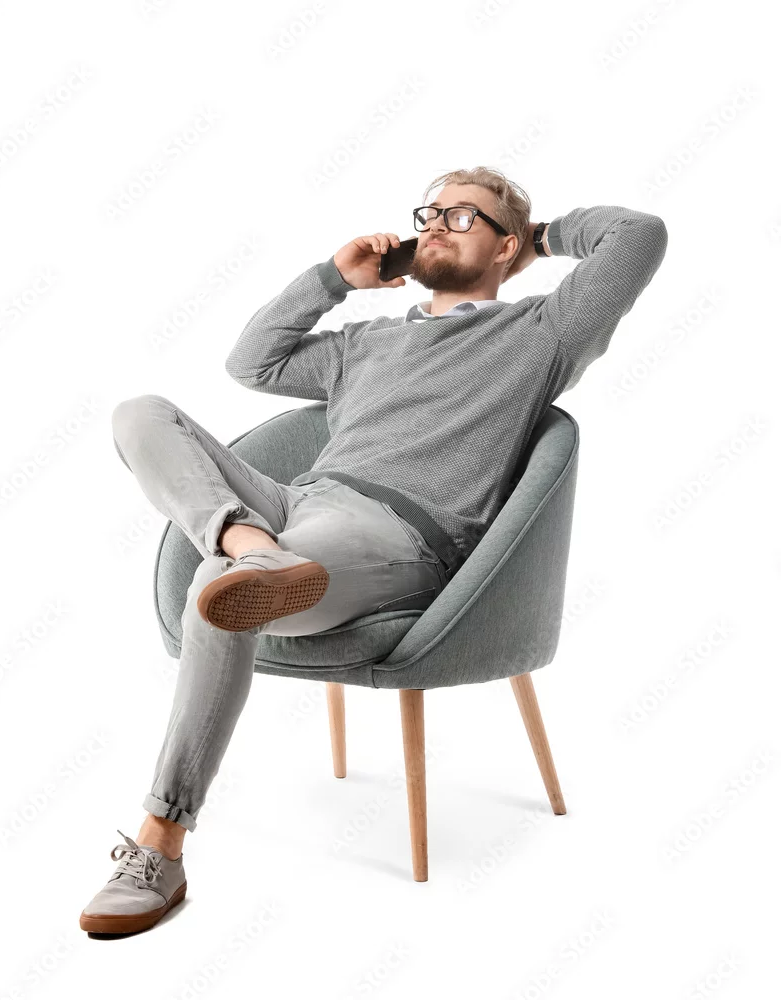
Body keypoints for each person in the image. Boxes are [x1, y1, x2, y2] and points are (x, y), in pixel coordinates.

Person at [79, 166, 668, 934]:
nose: (436, 224)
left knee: (216, 593)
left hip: (398, 534)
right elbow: (251, 362)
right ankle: (251, 547)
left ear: (505, 246)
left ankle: (161, 842)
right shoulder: (366, 341)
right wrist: (334, 279)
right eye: (430, 213)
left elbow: (639, 236)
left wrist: (541, 238)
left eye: (463, 216)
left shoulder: (540, 333)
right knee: (140, 414)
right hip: (296, 506)